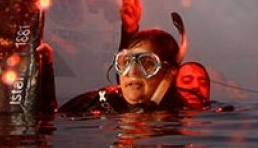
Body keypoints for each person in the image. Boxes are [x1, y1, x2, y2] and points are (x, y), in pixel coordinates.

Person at [57, 28, 191, 116]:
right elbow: (49, 117)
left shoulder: (182, 113)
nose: (132, 72)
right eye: (125, 62)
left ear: (168, 73)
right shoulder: (103, 101)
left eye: (147, 63)